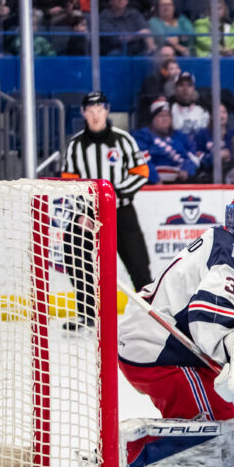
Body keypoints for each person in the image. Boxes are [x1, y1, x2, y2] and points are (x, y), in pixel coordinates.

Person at [117, 183, 234, 467]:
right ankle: (133, 453)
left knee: (229, 411)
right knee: (220, 427)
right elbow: (208, 316)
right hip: (158, 353)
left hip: (165, 344)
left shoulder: (222, 241)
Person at [62, 92, 153, 332]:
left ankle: (151, 313)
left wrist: (116, 194)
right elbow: (69, 182)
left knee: (139, 264)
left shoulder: (123, 140)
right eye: (89, 110)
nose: (94, 115)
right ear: (83, 113)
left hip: (121, 212)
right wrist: (83, 212)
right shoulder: (75, 145)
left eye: (99, 109)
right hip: (87, 215)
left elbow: (141, 172)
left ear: (107, 111)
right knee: (76, 258)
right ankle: (87, 313)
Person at [133, 98, 202, 184]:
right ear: (152, 119)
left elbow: (193, 157)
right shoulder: (142, 136)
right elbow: (142, 161)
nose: (165, 119)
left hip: (179, 183)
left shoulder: (180, 136)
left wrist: (187, 170)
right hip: (152, 184)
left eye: (167, 115)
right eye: (161, 116)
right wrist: (156, 180)